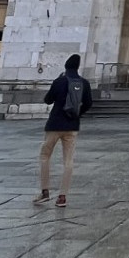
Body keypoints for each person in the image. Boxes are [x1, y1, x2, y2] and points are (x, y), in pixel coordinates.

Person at [36, 54, 93, 208]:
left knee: (44, 156)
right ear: (78, 67)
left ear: (66, 66)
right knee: (68, 161)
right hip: (72, 126)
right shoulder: (84, 83)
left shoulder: (59, 81)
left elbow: (48, 99)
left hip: (54, 125)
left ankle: (44, 192)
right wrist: (77, 114)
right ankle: (62, 197)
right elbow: (88, 103)